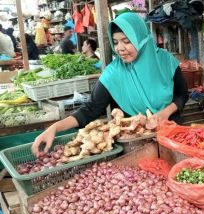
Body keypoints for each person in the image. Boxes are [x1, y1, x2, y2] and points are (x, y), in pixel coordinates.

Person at [32, 12, 189, 156]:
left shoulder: (165, 61)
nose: (120, 48)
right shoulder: (113, 73)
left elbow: (182, 94)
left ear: (141, 39)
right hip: (137, 146)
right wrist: (54, 128)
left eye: (127, 41)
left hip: (174, 137)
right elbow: (90, 109)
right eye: (116, 42)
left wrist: (165, 112)